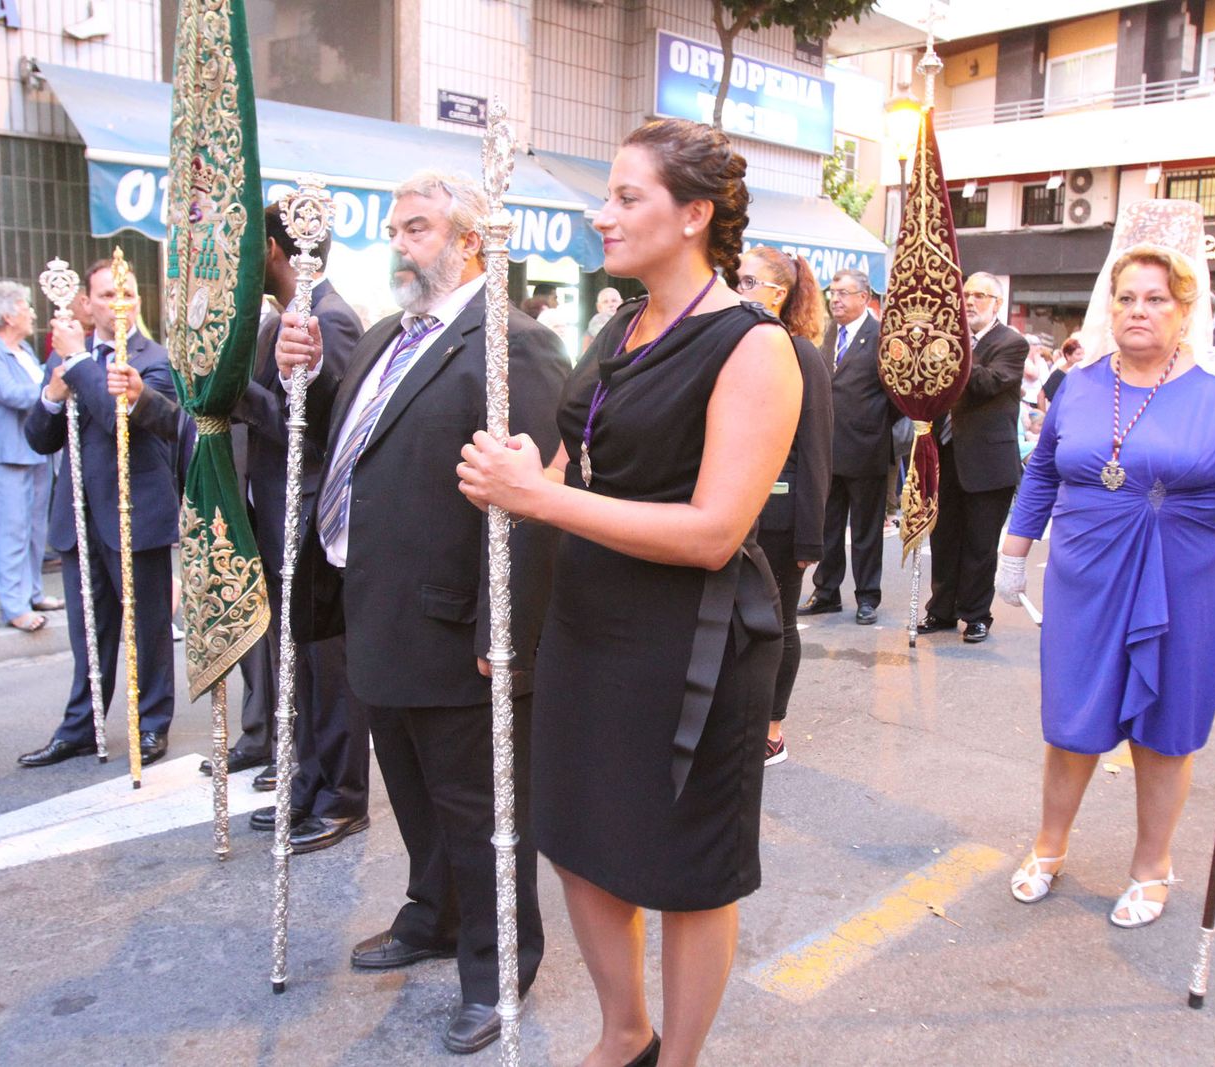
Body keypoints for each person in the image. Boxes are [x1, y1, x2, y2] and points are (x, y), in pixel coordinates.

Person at [458, 118, 799, 1067]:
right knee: (577, 839)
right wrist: (525, 477)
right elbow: (578, 467)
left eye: (625, 197)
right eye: (605, 196)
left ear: (694, 215)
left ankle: (677, 1059)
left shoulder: (753, 347)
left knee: (689, 870)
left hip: (691, 642)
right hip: (587, 623)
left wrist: (542, 497)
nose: (600, 215)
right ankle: (625, 1030)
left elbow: (715, 530)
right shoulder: (621, 322)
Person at [276, 170, 568, 1054]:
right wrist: (304, 371)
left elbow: (534, 501)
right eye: (396, 229)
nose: (400, 244)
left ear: (471, 241)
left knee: (480, 813)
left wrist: (505, 630)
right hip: (375, 607)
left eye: (418, 228)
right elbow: (353, 439)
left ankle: (498, 965)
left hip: (457, 624)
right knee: (411, 792)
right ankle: (433, 913)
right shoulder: (384, 336)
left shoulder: (516, 344)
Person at [997, 234, 1215, 927]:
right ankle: (1048, 846)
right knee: (1072, 720)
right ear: (1111, 306)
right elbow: (1043, 470)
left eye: (1156, 299)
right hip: (1085, 574)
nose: (1139, 310)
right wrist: (1013, 550)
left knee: (1166, 726)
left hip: (1182, 580)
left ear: (1185, 310)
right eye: (1127, 298)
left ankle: (1152, 866)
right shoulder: (1079, 382)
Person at [226, 201, 369, 851]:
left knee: (327, 667)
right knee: (300, 668)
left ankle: (343, 796)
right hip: (279, 515)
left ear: (276, 251)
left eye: (251, 246)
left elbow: (318, 431)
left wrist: (236, 394)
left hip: (313, 518)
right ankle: (307, 784)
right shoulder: (277, 321)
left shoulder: (329, 318)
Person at [17, 260, 180, 768]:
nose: (118, 302)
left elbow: (118, 422)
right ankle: (81, 727)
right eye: (107, 295)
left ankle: (151, 724)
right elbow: (39, 438)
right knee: (89, 633)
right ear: (86, 303)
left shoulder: (155, 360)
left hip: (136, 513)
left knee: (149, 630)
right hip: (79, 516)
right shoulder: (70, 358)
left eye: (126, 292)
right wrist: (52, 395)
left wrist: (76, 363)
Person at [737, 245, 832, 768]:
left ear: (778, 293)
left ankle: (772, 729)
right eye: (737, 280)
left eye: (749, 282)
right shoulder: (740, 344)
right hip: (734, 510)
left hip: (779, 516)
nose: (739, 290)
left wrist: (809, 536)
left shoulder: (800, 353)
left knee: (778, 624)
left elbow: (816, 449)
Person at [918, 271, 1028, 644]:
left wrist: (953, 350)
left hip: (988, 462)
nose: (970, 301)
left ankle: (976, 614)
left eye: (980, 295)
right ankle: (941, 610)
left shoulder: (1011, 343)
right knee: (944, 539)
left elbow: (987, 383)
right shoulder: (948, 340)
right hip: (945, 454)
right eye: (966, 294)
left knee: (980, 545)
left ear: (997, 303)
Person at [801, 267, 890, 625]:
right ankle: (826, 592)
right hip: (827, 447)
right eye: (832, 293)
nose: (834, 300)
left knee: (866, 530)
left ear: (864, 298)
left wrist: (875, 425)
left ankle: (867, 596)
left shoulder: (881, 336)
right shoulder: (827, 333)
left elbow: (896, 396)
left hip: (867, 448)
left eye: (842, 293)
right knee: (828, 526)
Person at [0, 281, 58, 633]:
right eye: (25, 307)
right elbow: (11, 394)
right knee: (11, 529)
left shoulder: (24, 349)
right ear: (7, 315)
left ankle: (33, 591)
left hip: (34, 447)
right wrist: (53, 390)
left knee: (35, 528)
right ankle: (14, 605)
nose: (32, 313)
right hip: (5, 451)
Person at [583, 285, 623, 349]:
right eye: (605, 302)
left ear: (622, 303)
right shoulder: (597, 321)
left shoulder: (629, 319)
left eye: (614, 301)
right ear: (599, 307)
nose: (611, 305)